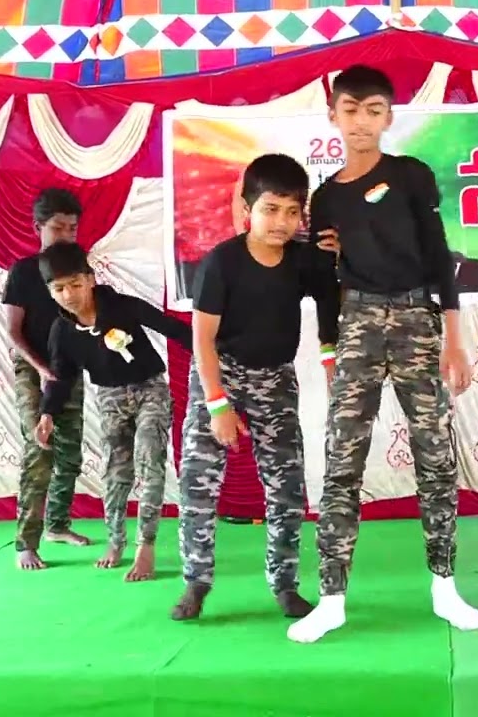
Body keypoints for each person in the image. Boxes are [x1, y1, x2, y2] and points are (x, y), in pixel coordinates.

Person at [286, 65, 478, 644]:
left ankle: (445, 586)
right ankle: (331, 597)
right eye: (351, 109)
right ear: (333, 116)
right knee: (342, 459)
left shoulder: (411, 176)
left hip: (419, 318)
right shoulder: (324, 199)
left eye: (374, 109)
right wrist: (327, 347)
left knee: (436, 457)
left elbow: (438, 255)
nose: (362, 121)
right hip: (359, 324)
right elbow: (326, 282)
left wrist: (455, 335)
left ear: (389, 117)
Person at [172, 154, 341, 621]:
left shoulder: (305, 261)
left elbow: (330, 295)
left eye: (292, 212)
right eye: (270, 209)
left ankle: (285, 585)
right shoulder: (221, 263)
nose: (281, 222)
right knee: (198, 485)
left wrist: (329, 349)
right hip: (220, 374)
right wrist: (217, 406)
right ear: (248, 207)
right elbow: (201, 340)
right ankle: (196, 583)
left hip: (275, 379)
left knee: (286, 486)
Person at [35, 241, 193, 582]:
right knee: (115, 472)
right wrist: (47, 414)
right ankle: (117, 541)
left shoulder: (121, 306)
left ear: (90, 279)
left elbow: (174, 329)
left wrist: (213, 353)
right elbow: (60, 376)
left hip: (149, 388)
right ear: (50, 292)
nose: (69, 295)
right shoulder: (61, 331)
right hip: (109, 398)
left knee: (150, 458)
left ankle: (145, 545)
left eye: (75, 285)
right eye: (59, 289)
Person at [2, 188, 91, 571]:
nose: (67, 235)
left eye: (72, 228)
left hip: (68, 367)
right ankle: (26, 542)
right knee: (40, 450)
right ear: (39, 227)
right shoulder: (23, 272)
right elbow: (14, 332)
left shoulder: (79, 266)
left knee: (70, 451)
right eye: (58, 228)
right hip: (33, 368)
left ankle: (57, 525)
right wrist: (40, 370)